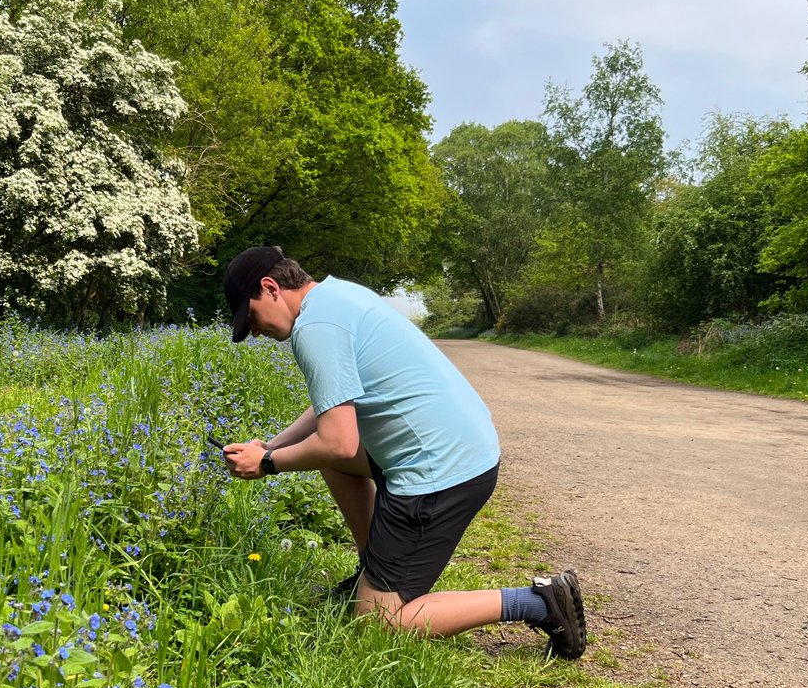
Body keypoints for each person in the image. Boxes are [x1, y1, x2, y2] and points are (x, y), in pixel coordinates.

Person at [220, 246, 586, 658]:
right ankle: (373, 572)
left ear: (270, 288)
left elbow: (339, 442)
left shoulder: (314, 327)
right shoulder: (337, 295)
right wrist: (271, 444)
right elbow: (335, 400)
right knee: (335, 465)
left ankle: (539, 602)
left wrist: (268, 464)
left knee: (378, 623)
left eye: (250, 317)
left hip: (440, 472)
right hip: (460, 447)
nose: (254, 331)